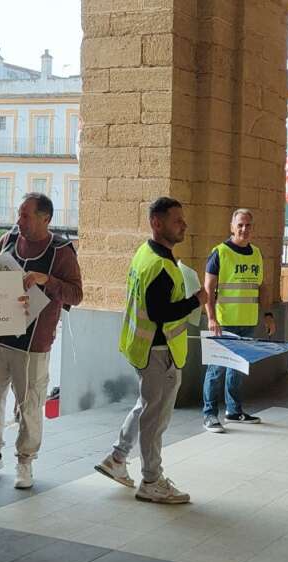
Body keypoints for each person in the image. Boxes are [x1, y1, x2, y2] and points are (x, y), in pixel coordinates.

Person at [94, 197, 207, 504]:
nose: (184, 225)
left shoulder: (146, 252)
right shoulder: (161, 265)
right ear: (157, 223)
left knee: (146, 406)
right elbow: (160, 313)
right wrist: (196, 301)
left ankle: (118, 458)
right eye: (176, 220)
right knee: (155, 419)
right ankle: (152, 480)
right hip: (159, 352)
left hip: (142, 347)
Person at [0, 193, 83, 489]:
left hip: (34, 343)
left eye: (25, 216)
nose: (19, 221)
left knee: (29, 404)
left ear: (46, 219)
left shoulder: (61, 251)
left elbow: (76, 295)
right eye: (19, 214)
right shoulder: (7, 240)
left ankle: (25, 461)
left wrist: (47, 280)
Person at [201, 208, 276, 433]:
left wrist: (268, 315)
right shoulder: (220, 253)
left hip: (248, 322)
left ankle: (233, 411)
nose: (244, 229)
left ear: (253, 228)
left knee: (237, 369)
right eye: (240, 225)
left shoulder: (256, 253)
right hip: (224, 322)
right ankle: (209, 414)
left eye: (248, 225)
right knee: (216, 369)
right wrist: (212, 318)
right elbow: (208, 289)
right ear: (232, 227)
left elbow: (262, 287)